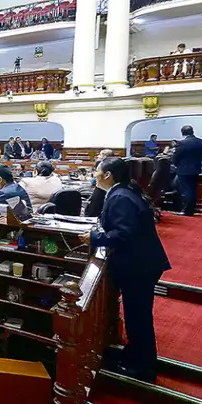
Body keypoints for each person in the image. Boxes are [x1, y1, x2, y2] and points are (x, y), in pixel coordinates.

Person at [78, 158, 170, 382]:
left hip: (139, 265)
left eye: (97, 171)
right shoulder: (123, 191)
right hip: (139, 262)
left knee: (138, 317)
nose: (94, 174)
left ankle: (143, 368)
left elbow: (124, 233)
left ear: (108, 175)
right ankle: (134, 356)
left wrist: (94, 237)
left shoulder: (120, 197)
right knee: (136, 316)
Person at [171, 125, 202, 216]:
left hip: (183, 169)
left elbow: (175, 157)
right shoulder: (201, 142)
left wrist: (176, 164)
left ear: (182, 133)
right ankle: (191, 209)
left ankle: (186, 211)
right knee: (193, 189)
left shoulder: (182, 143)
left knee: (186, 190)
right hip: (196, 169)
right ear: (192, 131)